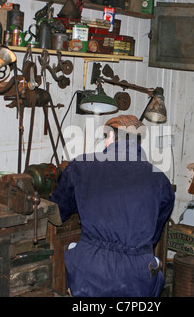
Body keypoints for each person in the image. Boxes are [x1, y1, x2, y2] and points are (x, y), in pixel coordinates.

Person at [50, 114, 175, 297]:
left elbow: (58, 212)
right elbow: (154, 233)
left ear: (109, 137)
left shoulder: (80, 166)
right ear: (138, 142)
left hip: (91, 270)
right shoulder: (160, 179)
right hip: (137, 275)